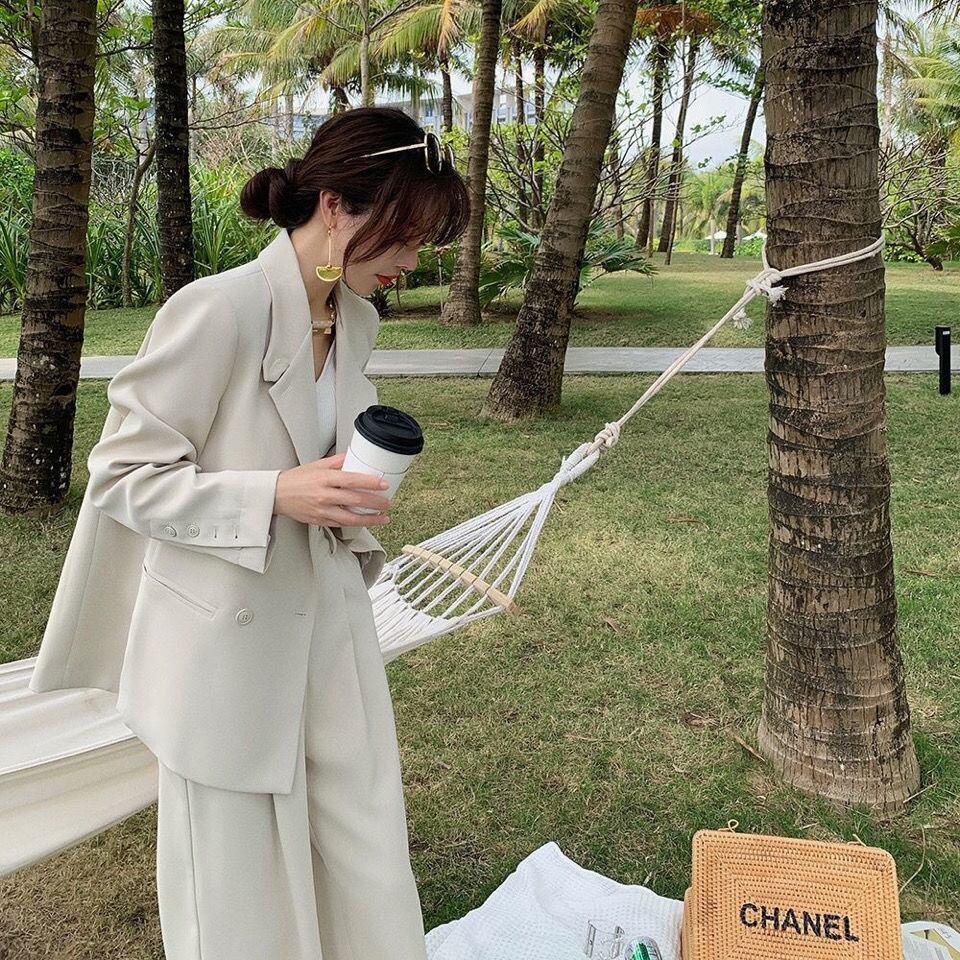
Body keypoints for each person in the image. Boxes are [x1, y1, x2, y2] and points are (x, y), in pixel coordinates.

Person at [30, 105, 469, 959]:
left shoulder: (356, 319)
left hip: (330, 622)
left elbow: (311, 444)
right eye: (408, 234)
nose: (414, 261)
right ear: (336, 206)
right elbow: (122, 475)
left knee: (363, 851)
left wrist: (344, 490)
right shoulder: (217, 310)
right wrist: (275, 493)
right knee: (237, 891)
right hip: (222, 645)